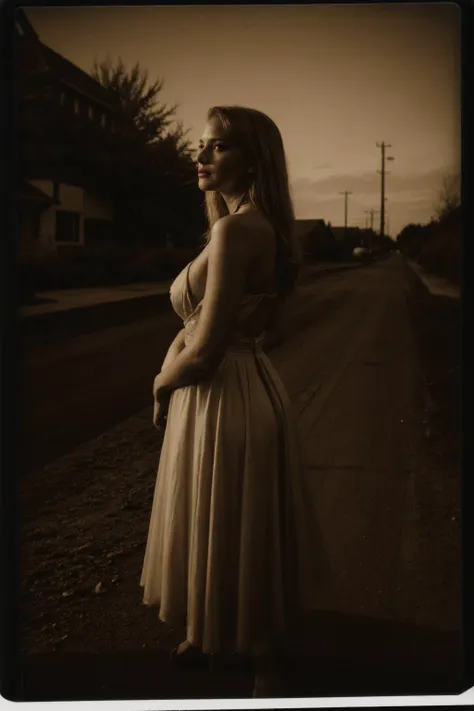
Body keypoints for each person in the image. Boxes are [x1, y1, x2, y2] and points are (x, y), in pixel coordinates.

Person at [140, 105, 329, 697]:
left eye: (217, 147)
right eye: (201, 145)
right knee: (223, 516)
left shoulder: (236, 230)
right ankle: (208, 634)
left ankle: (265, 661)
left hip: (222, 397)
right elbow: (245, 330)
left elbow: (207, 351)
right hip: (241, 391)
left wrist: (160, 383)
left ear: (253, 158)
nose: (201, 156)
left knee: (231, 517)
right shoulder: (251, 225)